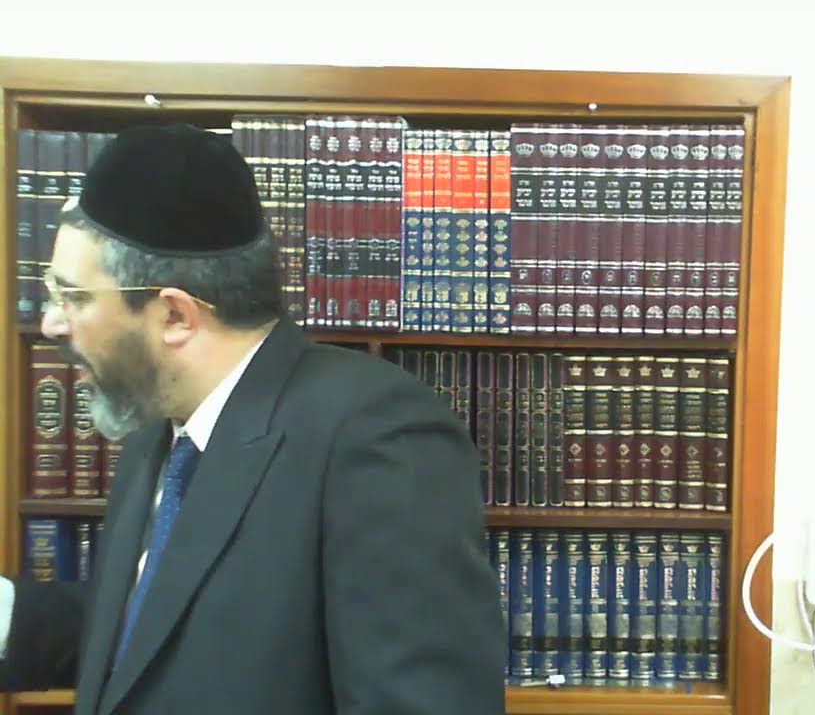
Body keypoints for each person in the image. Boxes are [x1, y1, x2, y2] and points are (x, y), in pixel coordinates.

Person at [0, 123, 506, 713]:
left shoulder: (378, 435)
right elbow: (163, 624)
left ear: (174, 316)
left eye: (75, 297)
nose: (53, 324)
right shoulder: (157, 433)